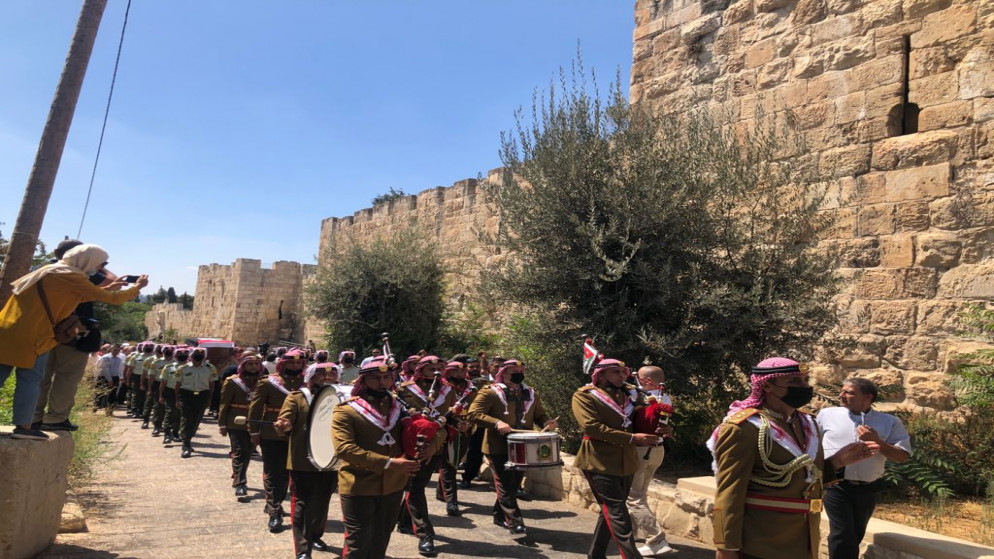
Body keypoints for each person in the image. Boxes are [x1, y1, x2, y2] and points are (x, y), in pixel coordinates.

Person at [709, 357, 880, 559]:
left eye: (806, 380)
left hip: (803, 541)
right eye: (794, 382)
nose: (804, 387)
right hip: (760, 542)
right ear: (767, 385)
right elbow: (730, 492)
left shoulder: (807, 423)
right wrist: (726, 547)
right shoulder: (744, 428)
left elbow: (802, 479)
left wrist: (838, 462)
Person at [0, 244, 147, 439]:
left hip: (8, 327)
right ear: (88, 260)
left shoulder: (49, 270)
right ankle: (24, 427)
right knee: (30, 380)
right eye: (99, 263)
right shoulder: (72, 276)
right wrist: (138, 287)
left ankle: (27, 423)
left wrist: (109, 286)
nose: (99, 267)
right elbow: (114, 299)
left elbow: (67, 296)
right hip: (34, 333)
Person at [331, 358, 440, 559]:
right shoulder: (346, 410)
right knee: (358, 544)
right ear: (363, 380)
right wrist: (389, 463)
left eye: (386, 377)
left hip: (393, 485)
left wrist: (430, 447)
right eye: (375, 378)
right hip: (359, 484)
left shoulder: (402, 408)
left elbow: (433, 429)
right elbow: (344, 449)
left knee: (380, 541)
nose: (382, 382)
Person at [572, 358, 658, 559]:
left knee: (610, 510)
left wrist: (658, 427)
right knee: (617, 511)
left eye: (624, 372)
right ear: (600, 375)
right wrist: (631, 438)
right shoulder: (585, 396)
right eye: (615, 372)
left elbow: (639, 419)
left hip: (626, 461)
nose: (622, 376)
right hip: (599, 460)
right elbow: (591, 427)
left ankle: (596, 554)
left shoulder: (630, 394)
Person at [817, 378, 912, 559]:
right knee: (842, 532)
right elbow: (813, 447)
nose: (841, 395)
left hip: (867, 488)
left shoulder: (890, 422)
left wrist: (877, 441)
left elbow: (902, 456)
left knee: (856, 533)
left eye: (849, 392)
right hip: (835, 485)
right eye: (842, 391)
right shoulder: (826, 415)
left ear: (867, 397)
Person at [30, 239, 114, 432]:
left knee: (41, 377)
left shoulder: (44, 269)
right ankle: (55, 419)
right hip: (72, 334)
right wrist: (102, 268)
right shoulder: (77, 274)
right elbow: (112, 284)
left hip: (44, 331)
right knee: (66, 377)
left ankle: (33, 417)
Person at [468, 358, 555, 534]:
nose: (519, 374)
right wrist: (497, 423)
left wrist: (548, 422)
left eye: (521, 371)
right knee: (505, 483)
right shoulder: (490, 392)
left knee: (513, 484)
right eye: (514, 372)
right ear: (503, 373)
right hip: (497, 446)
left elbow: (540, 415)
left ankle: (499, 515)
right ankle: (515, 521)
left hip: (524, 446)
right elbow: (474, 414)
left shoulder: (531, 393)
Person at [274, 361, 342, 559]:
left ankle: (315, 535)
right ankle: (303, 549)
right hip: (303, 459)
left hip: (331, 460)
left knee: (322, 501)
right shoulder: (297, 397)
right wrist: (283, 425)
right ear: (310, 378)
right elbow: (285, 420)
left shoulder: (340, 397)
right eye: (322, 375)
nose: (327, 379)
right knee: (303, 504)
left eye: (331, 376)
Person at [395, 355, 457, 555]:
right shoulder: (403, 388)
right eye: (431, 367)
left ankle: (405, 522)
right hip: (407, 444)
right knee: (415, 487)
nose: (437, 369)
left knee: (416, 486)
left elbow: (449, 419)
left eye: (440, 366)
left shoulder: (448, 391)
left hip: (434, 445)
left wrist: (436, 442)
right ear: (421, 368)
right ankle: (425, 533)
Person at [248, 347, 305, 532]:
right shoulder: (268, 382)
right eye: (291, 362)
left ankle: (274, 503)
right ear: (283, 363)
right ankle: (274, 512)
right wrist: (254, 432)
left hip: (299, 434)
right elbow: (255, 409)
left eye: (298, 362)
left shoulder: (307, 382)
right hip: (272, 433)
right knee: (275, 473)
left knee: (293, 473)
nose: (295, 366)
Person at [624, 365, 677, 557]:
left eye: (637, 376)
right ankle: (634, 533)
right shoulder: (666, 398)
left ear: (646, 381)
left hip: (642, 451)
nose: (634, 379)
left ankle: (656, 540)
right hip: (657, 451)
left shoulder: (644, 398)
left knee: (633, 497)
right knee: (640, 494)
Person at [434, 360, 477, 517]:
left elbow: (476, 408)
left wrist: (469, 423)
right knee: (448, 464)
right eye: (455, 371)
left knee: (454, 462)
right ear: (448, 372)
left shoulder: (472, 388)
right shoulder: (441, 386)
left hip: (465, 429)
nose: (459, 374)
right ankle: (452, 501)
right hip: (446, 428)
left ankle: (441, 492)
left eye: (462, 371)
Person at [219, 353, 263, 499]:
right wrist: (222, 424)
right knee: (238, 450)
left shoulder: (265, 382)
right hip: (235, 421)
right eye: (250, 364)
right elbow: (224, 404)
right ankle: (240, 483)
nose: (254, 367)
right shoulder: (232, 382)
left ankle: (238, 474)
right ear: (243, 365)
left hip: (255, 422)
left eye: (256, 364)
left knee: (249, 451)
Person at [173, 347, 217, 458]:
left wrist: (210, 399)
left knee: (196, 419)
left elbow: (212, 385)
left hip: (202, 395)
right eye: (196, 354)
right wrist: (177, 399)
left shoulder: (210, 368)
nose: (199, 356)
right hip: (186, 395)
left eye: (201, 355)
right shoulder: (182, 368)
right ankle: (186, 444)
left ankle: (188, 438)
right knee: (186, 419)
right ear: (191, 356)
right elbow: (177, 385)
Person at [159, 346, 183, 444]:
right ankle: (167, 435)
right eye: (180, 355)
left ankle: (175, 433)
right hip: (170, 392)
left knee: (179, 414)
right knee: (170, 412)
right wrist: (161, 395)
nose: (182, 356)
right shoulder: (169, 367)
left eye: (185, 355)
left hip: (184, 392)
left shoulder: (190, 367)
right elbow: (163, 382)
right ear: (175, 356)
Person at [94, 344, 125, 413]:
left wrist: (121, 377)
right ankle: (95, 408)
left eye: (118, 350)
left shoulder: (118, 359)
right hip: (104, 377)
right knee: (100, 393)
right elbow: (105, 369)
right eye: (115, 350)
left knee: (112, 394)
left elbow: (119, 369)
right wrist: (109, 379)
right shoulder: (106, 357)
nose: (116, 351)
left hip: (114, 377)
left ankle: (109, 410)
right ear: (111, 349)